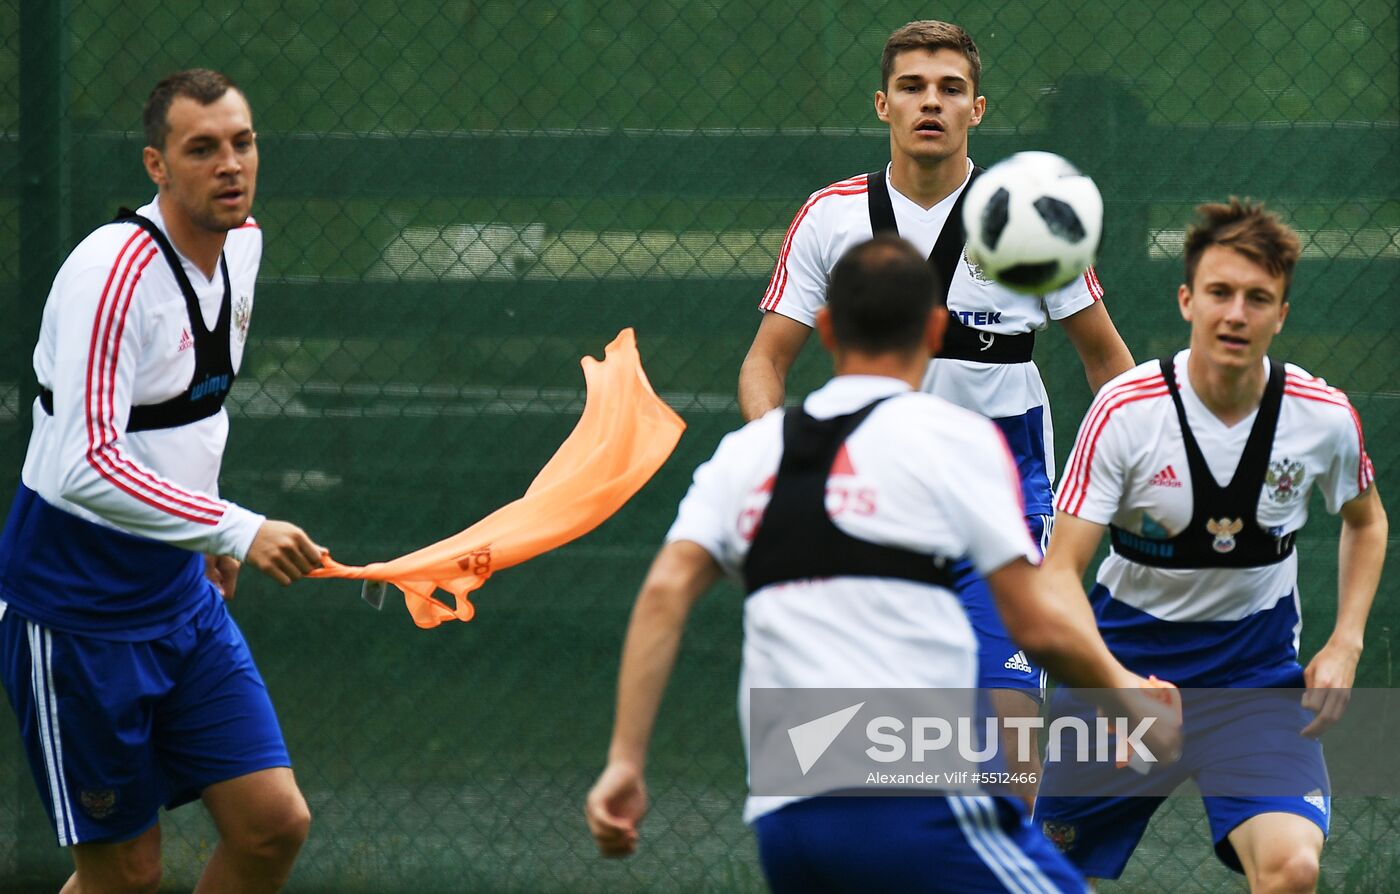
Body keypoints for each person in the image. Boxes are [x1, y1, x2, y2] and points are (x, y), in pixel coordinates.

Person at [585, 235, 1180, 893]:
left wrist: (623, 761)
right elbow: (1035, 623)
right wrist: (1121, 692)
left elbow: (665, 592)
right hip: (914, 805)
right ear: (932, 329)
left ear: (826, 327)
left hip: (790, 822)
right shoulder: (956, 443)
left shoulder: (749, 455)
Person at [736, 19, 1136, 794]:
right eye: (913, 88)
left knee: (1010, 744)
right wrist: (777, 454)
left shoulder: (1028, 217)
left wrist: (1146, 465)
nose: (932, 103)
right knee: (851, 748)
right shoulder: (831, 217)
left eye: (951, 89)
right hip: (869, 498)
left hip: (1005, 498)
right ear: (882, 104)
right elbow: (766, 362)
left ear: (977, 110)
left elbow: (1105, 362)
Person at [0, 69, 326, 893]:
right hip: (76, 615)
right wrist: (236, 529)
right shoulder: (112, 273)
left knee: (272, 826)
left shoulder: (242, 245)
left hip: (180, 597)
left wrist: (202, 536)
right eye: (202, 148)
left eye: (243, 143)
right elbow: (84, 462)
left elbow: (194, 410)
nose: (230, 164)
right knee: (125, 877)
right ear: (156, 165)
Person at [1033, 199, 1388, 892]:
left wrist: (1346, 639)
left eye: (1259, 299)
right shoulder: (1127, 414)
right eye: (1220, 293)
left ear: (1281, 314)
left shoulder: (1322, 418)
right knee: (1044, 879)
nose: (1236, 314)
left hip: (1252, 677)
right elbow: (1056, 578)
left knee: (1290, 868)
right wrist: (1121, 689)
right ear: (1186, 300)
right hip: (1122, 666)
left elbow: (1367, 521)